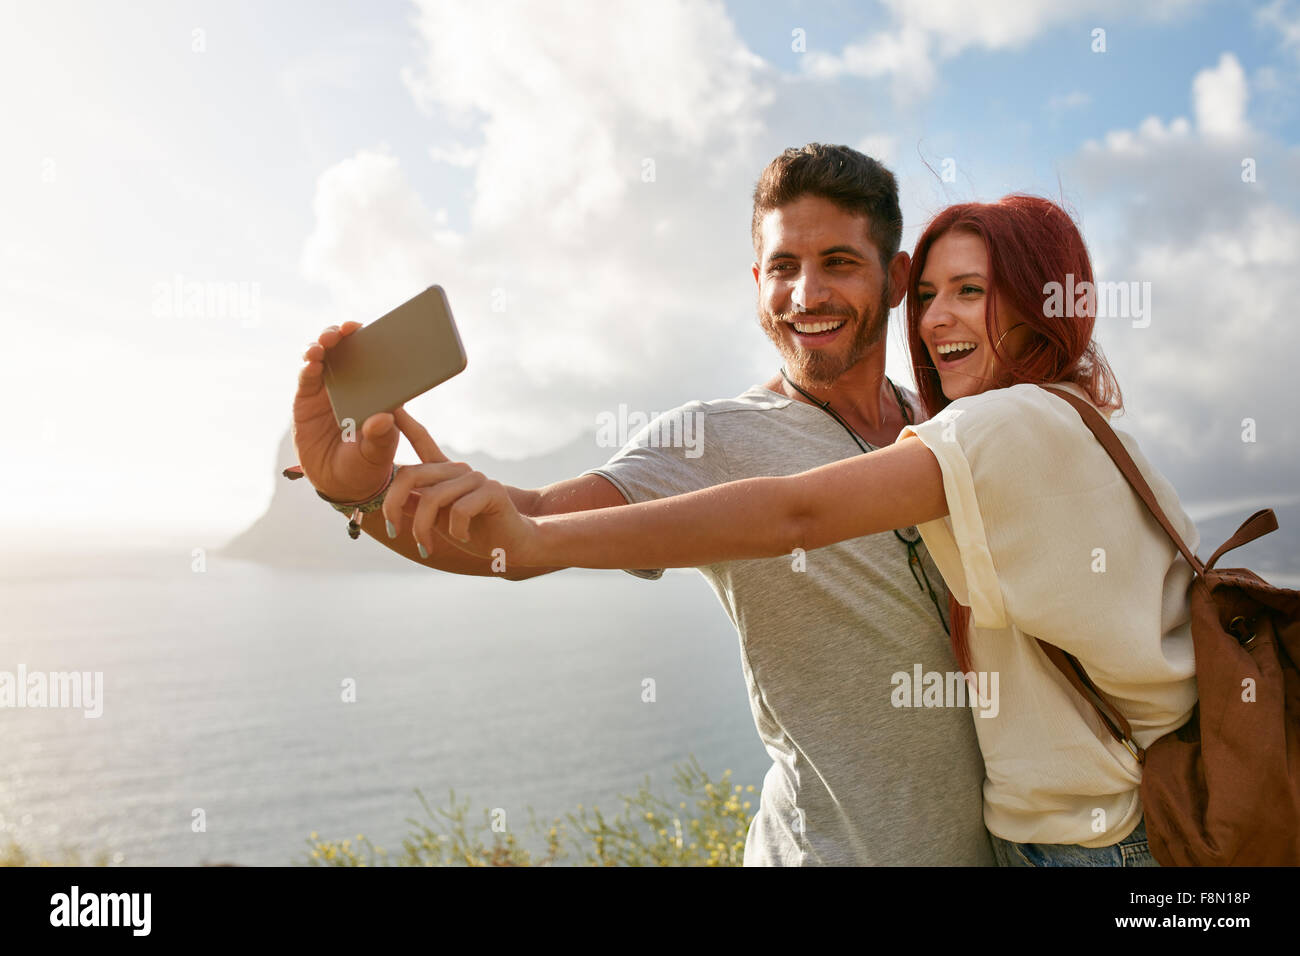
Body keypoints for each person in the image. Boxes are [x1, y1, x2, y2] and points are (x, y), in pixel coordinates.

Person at [400, 194, 1199, 867]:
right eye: (930, 295)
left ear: (1039, 301)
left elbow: (796, 512)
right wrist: (372, 499)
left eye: (971, 291)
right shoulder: (1076, 421)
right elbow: (536, 510)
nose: (937, 318)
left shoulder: (995, 424)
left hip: (1091, 839)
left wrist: (534, 541)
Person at [292, 144, 995, 866]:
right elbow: (530, 524)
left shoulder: (941, 425)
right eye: (783, 267)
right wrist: (357, 491)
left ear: (897, 277)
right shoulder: (712, 438)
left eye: (840, 263)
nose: (806, 294)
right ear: (758, 281)